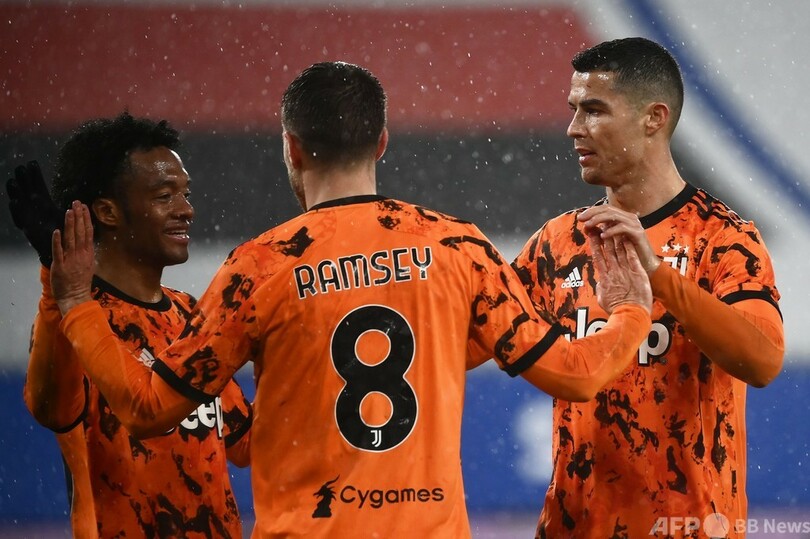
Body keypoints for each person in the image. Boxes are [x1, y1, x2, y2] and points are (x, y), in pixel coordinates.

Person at [50, 62, 652, 538]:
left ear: (292, 147)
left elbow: (147, 409)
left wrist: (75, 302)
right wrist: (629, 310)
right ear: (381, 142)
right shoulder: (456, 246)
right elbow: (577, 375)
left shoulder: (259, 268)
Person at [512, 37, 785, 538]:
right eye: (574, 110)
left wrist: (656, 274)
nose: (574, 128)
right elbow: (467, 342)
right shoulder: (556, 243)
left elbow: (763, 360)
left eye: (594, 110)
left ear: (654, 118)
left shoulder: (722, 237)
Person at [6, 113, 253, 538]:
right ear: (108, 211)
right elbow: (50, 408)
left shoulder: (189, 313)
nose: (186, 210)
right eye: (164, 196)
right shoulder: (76, 319)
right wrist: (56, 276)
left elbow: (245, 442)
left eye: (185, 193)